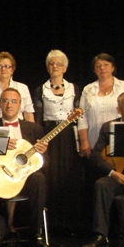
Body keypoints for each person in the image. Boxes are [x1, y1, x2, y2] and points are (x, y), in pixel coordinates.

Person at [0, 87, 50, 247]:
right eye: (6, 101)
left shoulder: (34, 129)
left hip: (23, 179)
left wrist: (41, 154)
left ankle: (35, 233)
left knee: (39, 179)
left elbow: (45, 163)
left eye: (14, 101)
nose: (9, 105)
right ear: (0, 104)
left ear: (20, 105)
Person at [32, 50, 82, 234]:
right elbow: (38, 118)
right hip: (49, 136)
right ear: (47, 68)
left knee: (69, 175)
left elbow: (79, 115)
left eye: (59, 64)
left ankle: (70, 222)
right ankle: (51, 223)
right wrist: (38, 139)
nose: (55, 66)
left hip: (68, 136)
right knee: (50, 175)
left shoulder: (74, 89)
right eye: (52, 64)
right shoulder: (40, 90)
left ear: (65, 68)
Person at [82, 92, 124, 247]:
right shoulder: (108, 127)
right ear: (119, 110)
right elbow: (95, 156)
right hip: (119, 176)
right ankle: (100, 236)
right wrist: (113, 173)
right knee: (102, 185)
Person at [78, 53, 124, 158]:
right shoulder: (88, 89)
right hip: (94, 142)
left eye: (106, 65)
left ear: (113, 68)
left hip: (120, 142)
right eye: (98, 66)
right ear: (94, 70)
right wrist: (84, 141)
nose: (102, 68)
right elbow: (82, 117)